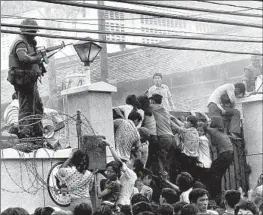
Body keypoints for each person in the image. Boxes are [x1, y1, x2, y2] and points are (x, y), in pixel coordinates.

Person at [7, 18, 47, 143]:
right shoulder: (21, 42)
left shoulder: (28, 43)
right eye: (33, 31)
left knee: (37, 108)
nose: (35, 34)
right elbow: (23, 58)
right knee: (27, 109)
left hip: (29, 81)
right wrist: (37, 58)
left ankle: (37, 134)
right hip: (24, 82)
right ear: (26, 31)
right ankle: (26, 136)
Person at [204, 116, 234, 201]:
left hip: (225, 154)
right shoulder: (222, 131)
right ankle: (217, 195)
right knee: (217, 175)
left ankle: (215, 195)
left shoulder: (214, 131)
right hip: (230, 155)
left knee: (213, 173)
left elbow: (204, 127)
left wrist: (207, 119)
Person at [102, 139, 138, 207]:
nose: (127, 161)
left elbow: (118, 161)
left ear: (134, 166)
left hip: (122, 203)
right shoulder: (126, 175)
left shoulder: (131, 174)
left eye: (130, 160)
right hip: (120, 202)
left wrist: (110, 146)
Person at [149, 93, 176, 177]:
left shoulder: (152, 107)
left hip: (163, 138)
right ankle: (168, 181)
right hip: (172, 138)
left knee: (161, 163)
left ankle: (163, 182)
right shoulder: (165, 110)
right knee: (167, 164)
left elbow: (141, 103)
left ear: (153, 101)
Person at [137, 95, 159, 175]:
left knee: (147, 160)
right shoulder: (149, 110)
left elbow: (140, 126)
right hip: (154, 135)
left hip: (150, 137)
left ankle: (147, 175)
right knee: (152, 160)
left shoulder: (143, 112)